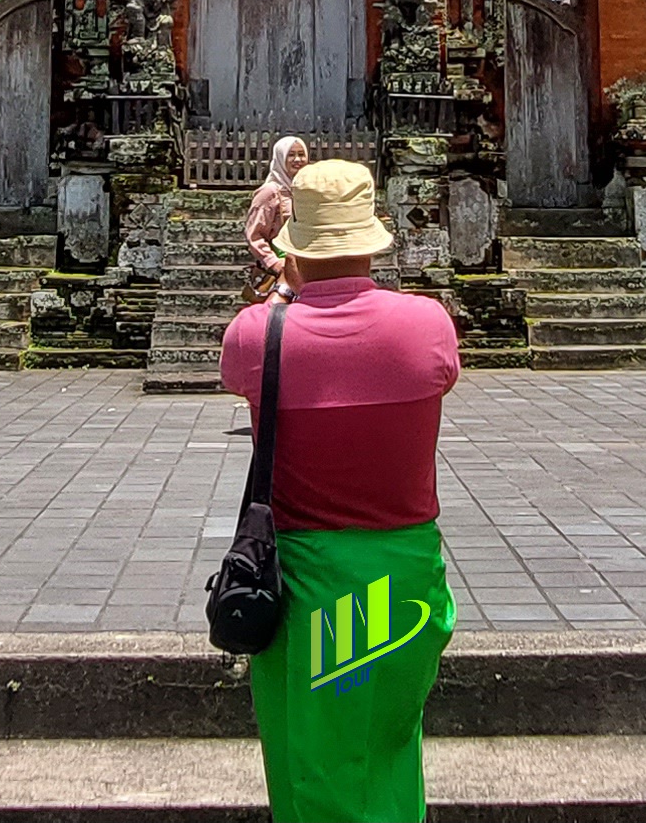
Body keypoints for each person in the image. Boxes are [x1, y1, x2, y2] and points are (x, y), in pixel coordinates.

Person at [219, 159, 461, 823]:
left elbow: (248, 370)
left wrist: (283, 285)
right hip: (408, 579)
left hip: (314, 587)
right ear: (370, 237)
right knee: (387, 749)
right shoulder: (429, 325)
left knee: (320, 768)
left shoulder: (254, 334)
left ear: (294, 242)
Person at [244, 134, 311, 277]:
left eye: (301, 154)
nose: (298, 160)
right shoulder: (270, 192)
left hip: (307, 265)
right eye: (291, 155)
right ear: (280, 158)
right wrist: (274, 263)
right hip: (282, 269)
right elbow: (254, 234)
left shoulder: (308, 191)